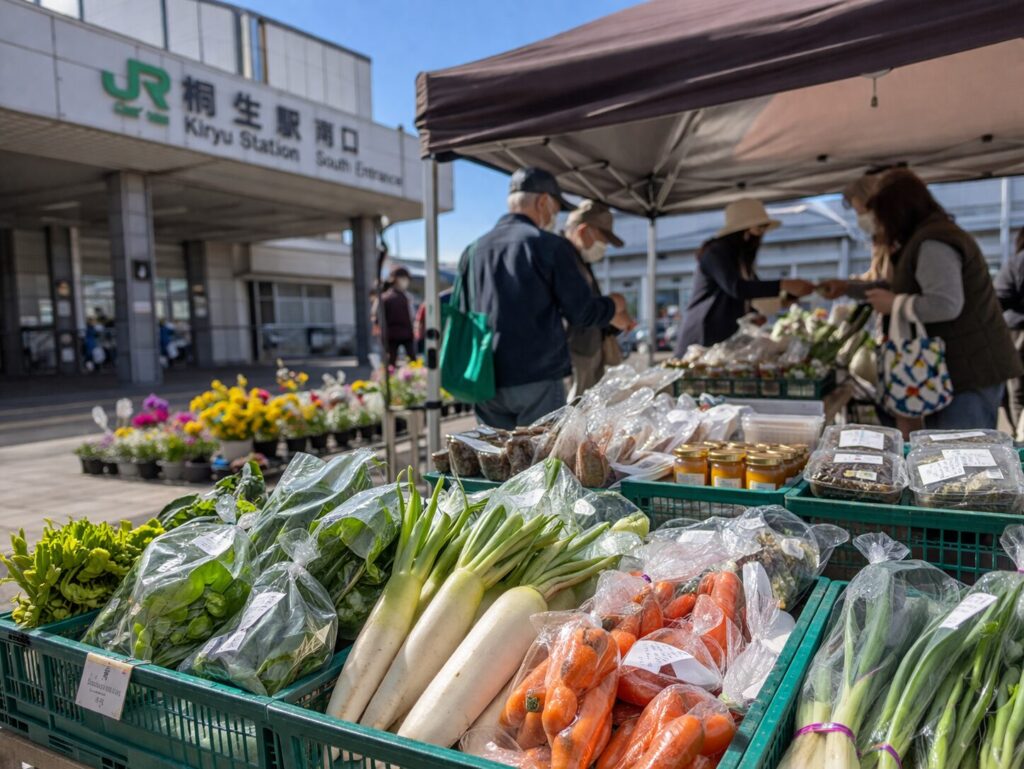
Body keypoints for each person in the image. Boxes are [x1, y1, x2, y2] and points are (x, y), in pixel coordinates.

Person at [460, 167, 633, 430]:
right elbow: (582, 313)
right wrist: (615, 303)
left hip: (485, 379)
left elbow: (464, 314)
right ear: (543, 202)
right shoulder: (550, 246)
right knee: (540, 466)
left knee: (494, 466)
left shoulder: (473, 250)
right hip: (537, 378)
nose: (554, 216)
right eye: (554, 208)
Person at [862, 168, 1022, 429]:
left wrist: (894, 304)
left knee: (963, 457)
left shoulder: (933, 242)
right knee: (950, 454)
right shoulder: (926, 237)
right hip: (958, 371)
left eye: (880, 217)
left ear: (897, 212)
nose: (878, 225)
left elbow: (945, 303)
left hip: (969, 373)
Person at [673, 199, 814, 355]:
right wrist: (783, 285)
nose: (761, 237)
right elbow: (736, 288)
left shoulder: (739, 259)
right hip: (703, 337)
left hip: (722, 338)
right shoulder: (716, 253)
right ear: (746, 230)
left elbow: (749, 293)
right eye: (760, 229)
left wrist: (759, 310)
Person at [563, 199, 627, 398]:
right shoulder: (562, 259)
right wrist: (614, 305)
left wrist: (612, 320)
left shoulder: (580, 260)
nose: (604, 246)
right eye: (602, 240)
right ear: (583, 231)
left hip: (587, 352)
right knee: (571, 418)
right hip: (575, 356)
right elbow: (579, 312)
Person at [995, 227, 1024, 439]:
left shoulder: (1018, 261)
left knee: (1018, 389)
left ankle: (1020, 436)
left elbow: (998, 298)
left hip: (1018, 330)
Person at [376, 267, 415, 365]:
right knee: (411, 360)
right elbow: (412, 317)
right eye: (403, 279)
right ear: (395, 280)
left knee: (391, 362)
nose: (406, 282)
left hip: (391, 335)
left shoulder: (385, 297)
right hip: (401, 334)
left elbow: (376, 317)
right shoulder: (401, 297)